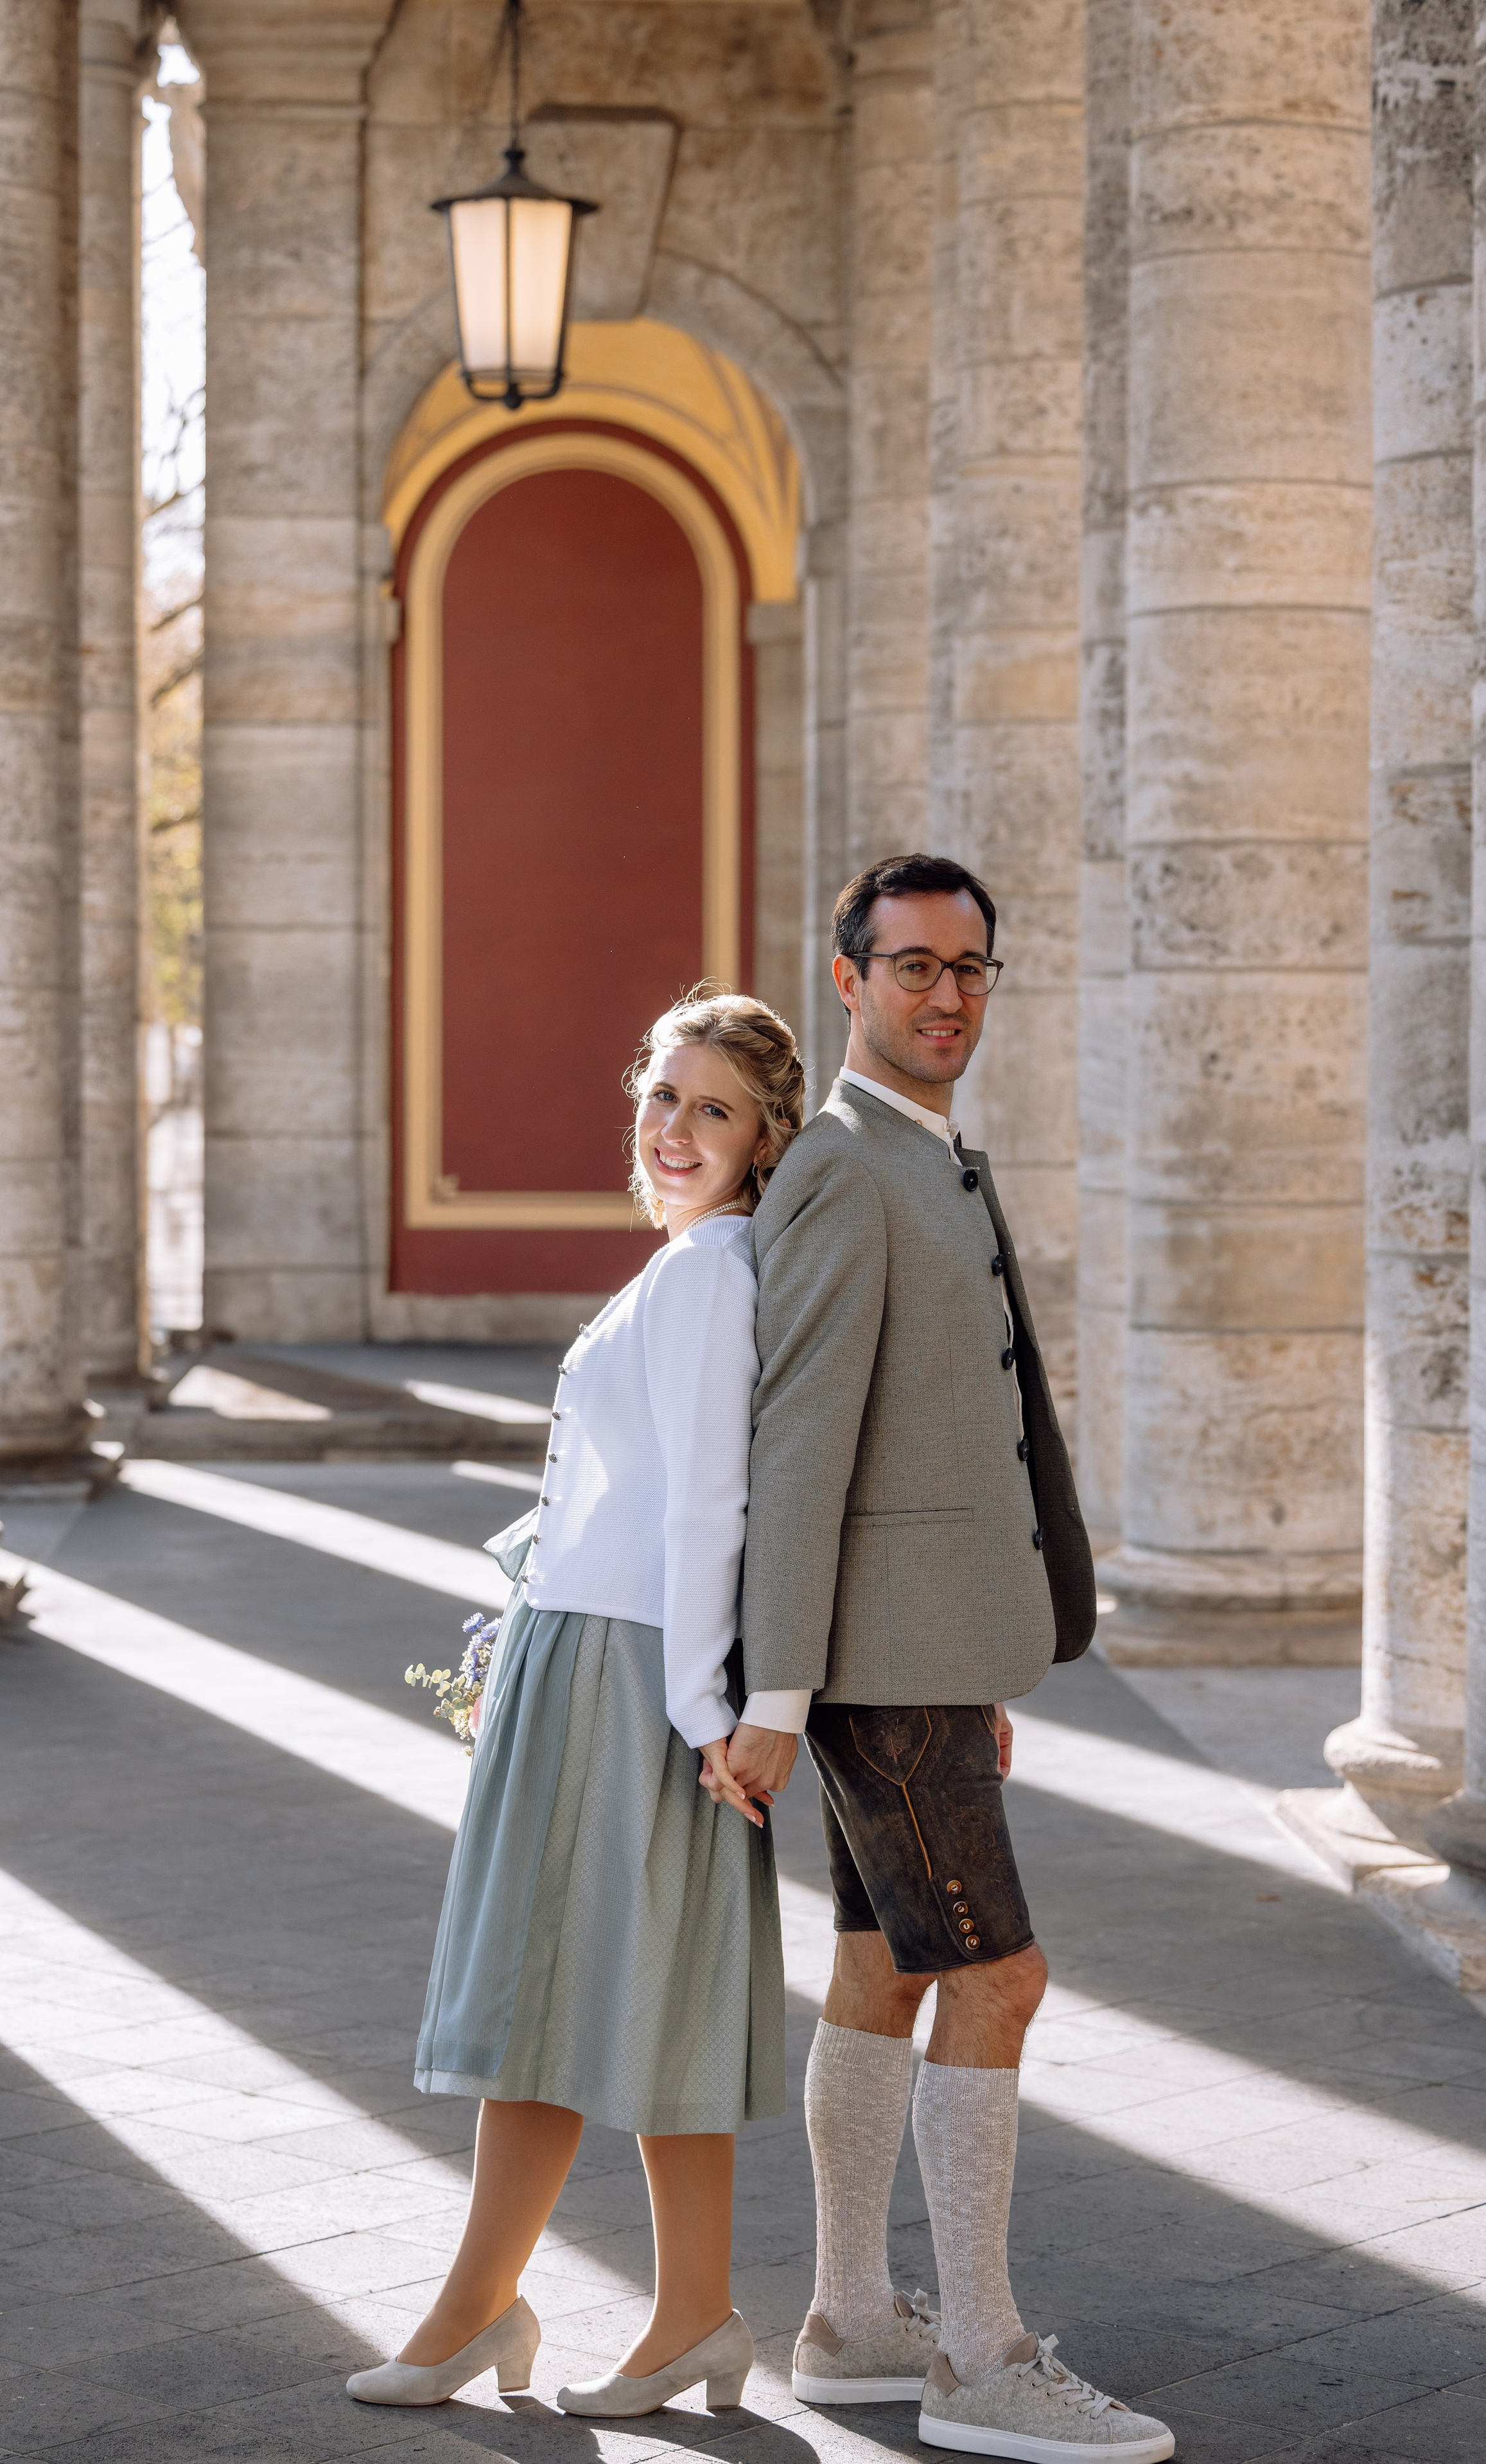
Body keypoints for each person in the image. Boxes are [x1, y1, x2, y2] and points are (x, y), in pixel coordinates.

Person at [721, 855, 1178, 2463]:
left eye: (970, 966)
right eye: (910, 964)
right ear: (845, 980)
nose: (945, 993)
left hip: (921, 1651)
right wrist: (776, 1696)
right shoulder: (847, 1163)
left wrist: (978, 1644)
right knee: (999, 1972)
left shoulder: (922, 1150)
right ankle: (979, 2353)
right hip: (867, 1663)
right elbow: (799, 1445)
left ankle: (849, 2316)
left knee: (891, 1964)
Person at [345, 989, 809, 2416]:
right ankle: (654, 2314)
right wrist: (516, 1637)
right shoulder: (683, 1265)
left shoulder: (706, 1273)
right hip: (587, 1657)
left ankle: (513, 2312)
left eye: (711, 1109)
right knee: (616, 2000)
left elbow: (711, 1508)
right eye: (662, 1096)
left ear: (763, 1138)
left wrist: (694, 1711)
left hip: (635, 1678)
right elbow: (617, 1494)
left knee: (564, 1993)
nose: (673, 1129)